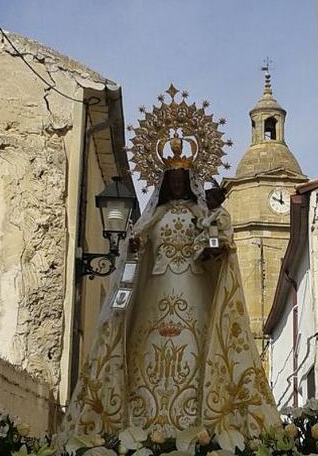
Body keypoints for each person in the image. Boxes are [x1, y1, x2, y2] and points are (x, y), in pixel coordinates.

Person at [65, 160, 279, 438]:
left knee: (197, 351)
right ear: (165, 184)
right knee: (147, 353)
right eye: (173, 180)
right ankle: (141, 425)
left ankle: (200, 425)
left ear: (190, 183)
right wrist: (134, 247)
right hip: (154, 295)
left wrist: (214, 238)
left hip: (194, 291)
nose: (177, 184)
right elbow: (137, 250)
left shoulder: (202, 214)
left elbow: (217, 246)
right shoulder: (155, 215)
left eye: (182, 179)